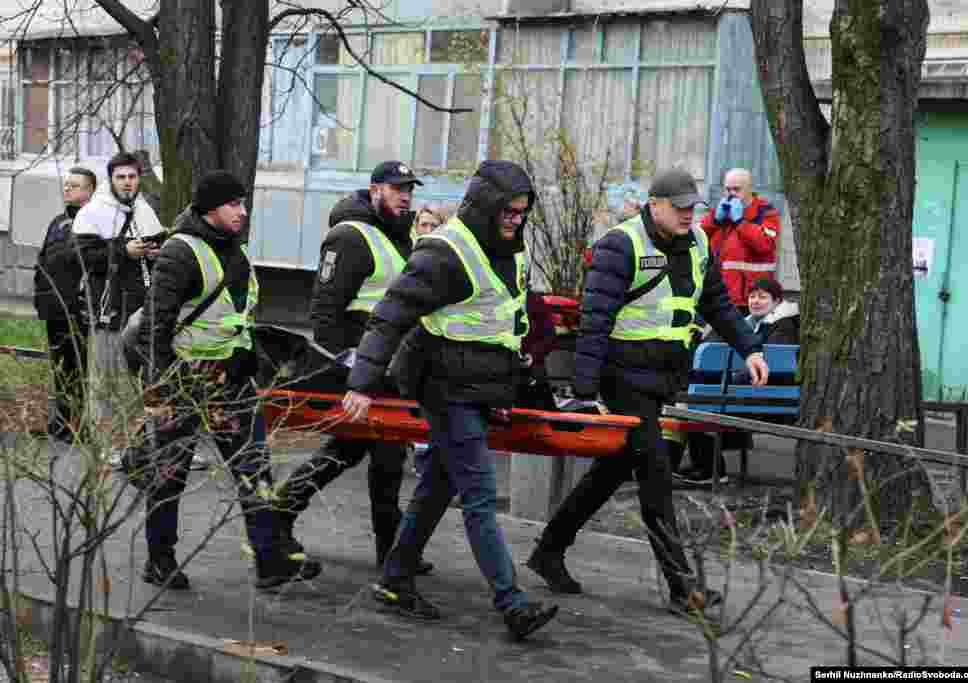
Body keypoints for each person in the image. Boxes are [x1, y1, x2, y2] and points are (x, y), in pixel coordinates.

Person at [524, 166, 769, 619]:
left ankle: (548, 550)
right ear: (652, 204)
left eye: (691, 207)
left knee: (612, 470)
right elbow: (595, 322)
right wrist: (585, 390)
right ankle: (683, 588)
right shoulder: (621, 244)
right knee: (656, 475)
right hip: (621, 380)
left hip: (658, 379)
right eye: (677, 208)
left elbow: (715, 301)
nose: (686, 215)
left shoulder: (698, 243)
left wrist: (750, 348)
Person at [342, 160, 559, 640]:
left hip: (479, 386)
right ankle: (512, 603)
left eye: (522, 213)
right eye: (509, 212)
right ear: (486, 205)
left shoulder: (509, 249)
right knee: (479, 495)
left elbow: (506, 316)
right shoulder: (445, 252)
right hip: (445, 387)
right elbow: (390, 315)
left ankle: (396, 579)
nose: (516, 220)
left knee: (438, 485)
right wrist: (361, 382)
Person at [134, 170, 321, 590]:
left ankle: (271, 561)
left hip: (231, 383)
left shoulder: (235, 252)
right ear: (209, 209)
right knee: (170, 472)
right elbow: (155, 327)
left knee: (255, 469)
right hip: (184, 382)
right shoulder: (180, 253)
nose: (243, 210)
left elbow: (236, 319)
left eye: (243, 202)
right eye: (233, 204)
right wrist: (159, 389)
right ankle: (159, 559)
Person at [276, 161, 433, 575]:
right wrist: (350, 368)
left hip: (389, 367)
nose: (405, 196)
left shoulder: (399, 237)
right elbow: (325, 313)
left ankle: (282, 513)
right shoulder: (349, 236)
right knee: (382, 456)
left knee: (358, 452)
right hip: (363, 368)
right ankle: (391, 551)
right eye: (397, 188)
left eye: (409, 190)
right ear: (374, 188)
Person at [675, 276, 799, 487]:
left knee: (696, 404)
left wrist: (730, 377)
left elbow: (770, 368)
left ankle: (709, 468)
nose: (755, 301)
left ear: (777, 301)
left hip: (767, 399)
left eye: (762, 297)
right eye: (752, 296)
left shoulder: (783, 326)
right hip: (752, 395)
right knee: (697, 397)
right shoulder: (751, 324)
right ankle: (703, 466)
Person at [34, 167, 97, 442]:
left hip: (78, 308)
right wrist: (40, 296)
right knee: (60, 368)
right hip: (54, 308)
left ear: (90, 190)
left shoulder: (95, 222)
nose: (67, 189)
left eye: (75, 185)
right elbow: (44, 259)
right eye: (67, 184)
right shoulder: (59, 220)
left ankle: (80, 426)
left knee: (80, 368)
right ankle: (59, 422)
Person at [72, 152, 164, 332]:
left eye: (132, 176)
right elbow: (82, 259)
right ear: (111, 179)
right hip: (108, 315)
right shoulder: (91, 213)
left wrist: (155, 254)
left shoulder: (145, 211)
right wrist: (124, 251)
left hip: (144, 312)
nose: (127, 182)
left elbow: (162, 257)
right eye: (120, 177)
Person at [699, 168, 779, 314]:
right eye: (728, 189)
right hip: (721, 296)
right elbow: (697, 238)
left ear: (749, 189)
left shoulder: (765, 212)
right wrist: (715, 220)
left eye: (736, 189)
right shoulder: (721, 210)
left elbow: (765, 244)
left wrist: (740, 222)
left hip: (752, 298)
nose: (731, 195)